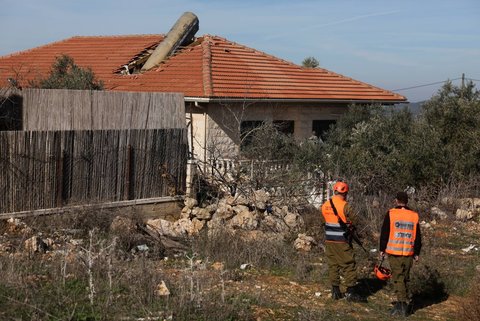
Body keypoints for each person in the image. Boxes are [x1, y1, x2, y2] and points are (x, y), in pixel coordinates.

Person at [321, 181, 365, 302]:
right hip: (342, 240)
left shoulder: (325, 205)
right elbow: (355, 220)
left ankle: (335, 291)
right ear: (345, 193)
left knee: (333, 264)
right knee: (348, 264)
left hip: (329, 239)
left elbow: (324, 220)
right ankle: (351, 292)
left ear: (335, 191)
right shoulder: (346, 206)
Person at [379, 191, 422, 317]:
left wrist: (382, 249)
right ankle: (400, 303)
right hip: (409, 252)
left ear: (396, 200)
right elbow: (418, 236)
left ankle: (402, 306)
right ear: (407, 201)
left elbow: (385, 233)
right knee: (404, 278)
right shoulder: (414, 215)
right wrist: (417, 252)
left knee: (398, 279)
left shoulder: (391, 213)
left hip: (394, 252)